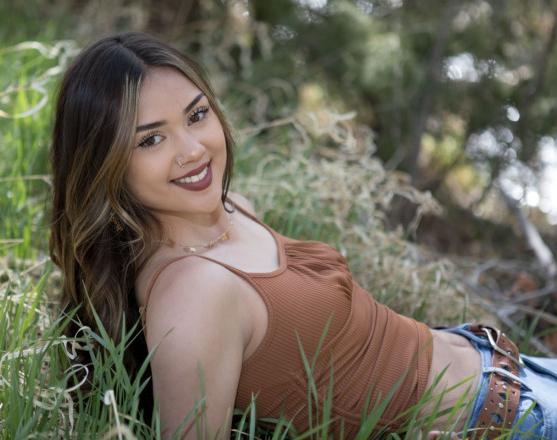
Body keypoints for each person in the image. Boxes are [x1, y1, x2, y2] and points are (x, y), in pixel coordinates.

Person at [48, 31, 557, 439]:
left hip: (504, 365)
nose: (194, 150)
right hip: (508, 422)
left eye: (197, 115)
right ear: (105, 164)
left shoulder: (229, 209)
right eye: (152, 139)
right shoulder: (192, 295)